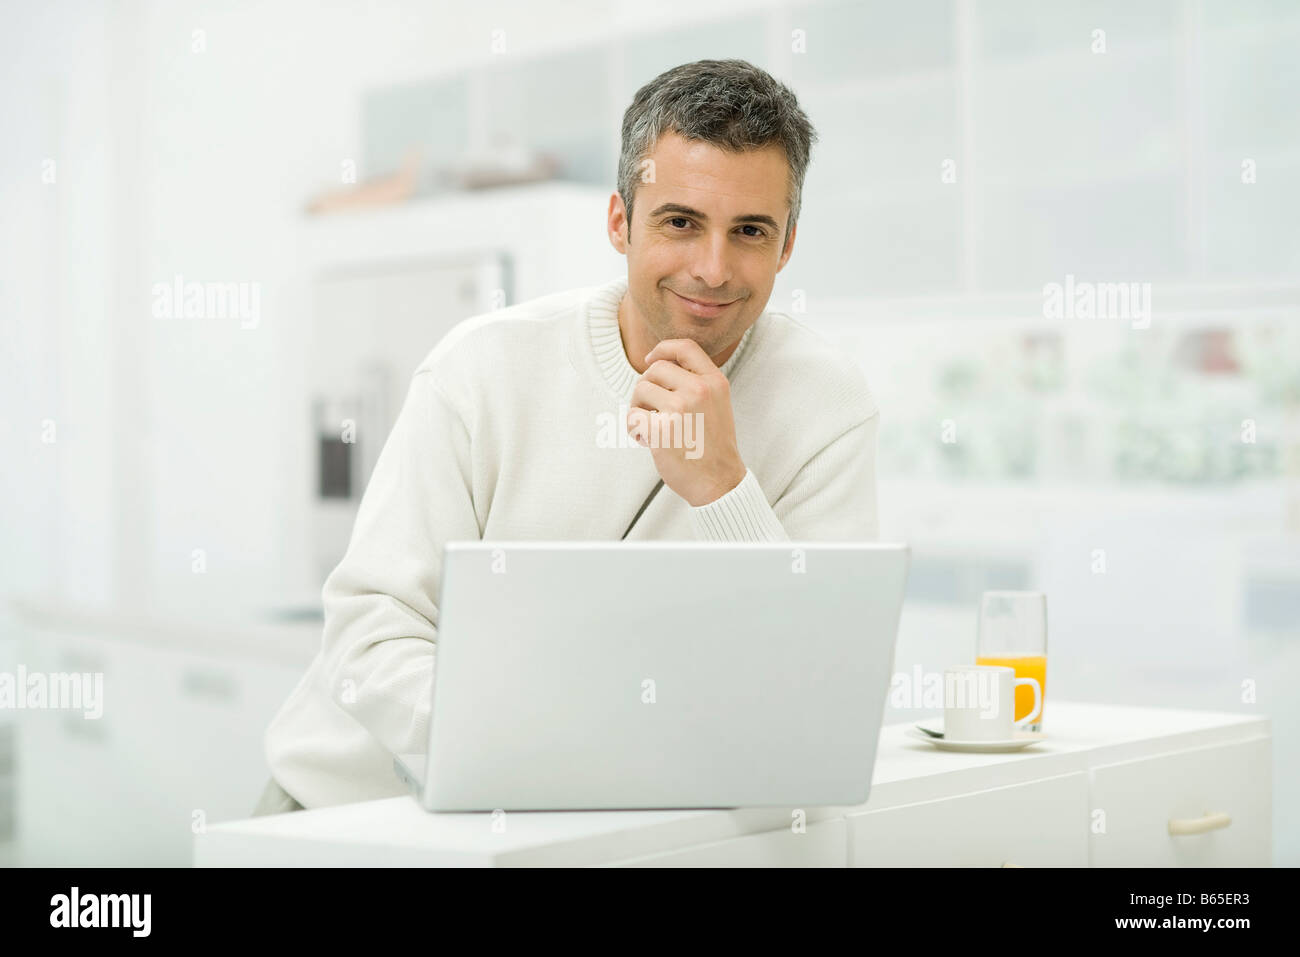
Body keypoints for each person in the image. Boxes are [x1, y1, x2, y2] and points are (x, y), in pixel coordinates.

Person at [254, 58, 880, 814]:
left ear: (785, 246)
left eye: (749, 231)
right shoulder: (481, 368)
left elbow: (817, 691)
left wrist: (723, 487)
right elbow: (372, 627)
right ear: (620, 221)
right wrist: (535, 752)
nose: (712, 269)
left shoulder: (826, 405)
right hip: (350, 808)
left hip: (589, 820)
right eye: (680, 222)